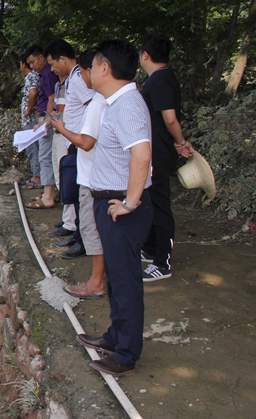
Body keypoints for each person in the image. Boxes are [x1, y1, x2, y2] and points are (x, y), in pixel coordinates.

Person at [76, 39, 153, 377]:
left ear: (105, 69)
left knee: (125, 281)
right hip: (108, 201)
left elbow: (142, 154)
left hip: (121, 206)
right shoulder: (114, 102)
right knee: (115, 277)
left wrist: (130, 203)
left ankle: (126, 355)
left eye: (92, 66)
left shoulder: (128, 105)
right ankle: (115, 337)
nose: (89, 73)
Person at [50, 48, 107, 297]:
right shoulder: (119, 99)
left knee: (92, 223)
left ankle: (96, 282)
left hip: (93, 172)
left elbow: (87, 142)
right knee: (87, 217)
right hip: (93, 169)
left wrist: (62, 129)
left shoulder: (99, 100)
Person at [138, 33, 191, 282]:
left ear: (145, 55)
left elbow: (169, 117)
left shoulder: (160, 80)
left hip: (159, 152)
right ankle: (149, 248)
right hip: (152, 151)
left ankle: (163, 262)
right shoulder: (159, 78)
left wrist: (180, 142)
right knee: (149, 199)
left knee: (159, 204)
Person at [45, 39, 89, 251]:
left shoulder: (79, 79)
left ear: (63, 59)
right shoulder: (72, 79)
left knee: (80, 191)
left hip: (79, 140)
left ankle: (81, 238)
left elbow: (91, 106)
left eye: (53, 64)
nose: (52, 69)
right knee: (75, 189)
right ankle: (77, 234)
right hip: (73, 139)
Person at [24, 45, 59, 210]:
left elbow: (52, 98)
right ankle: (47, 192)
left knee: (45, 156)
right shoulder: (43, 74)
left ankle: (48, 195)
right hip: (47, 117)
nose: (32, 66)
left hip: (48, 118)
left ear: (41, 58)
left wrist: (46, 121)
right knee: (45, 155)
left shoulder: (48, 74)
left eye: (32, 62)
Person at [19, 58, 41, 189]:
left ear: (23, 64)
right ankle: (36, 175)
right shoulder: (33, 76)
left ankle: (37, 177)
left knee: (33, 147)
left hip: (31, 120)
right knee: (33, 147)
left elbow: (33, 92)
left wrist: (28, 110)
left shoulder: (31, 76)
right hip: (30, 119)